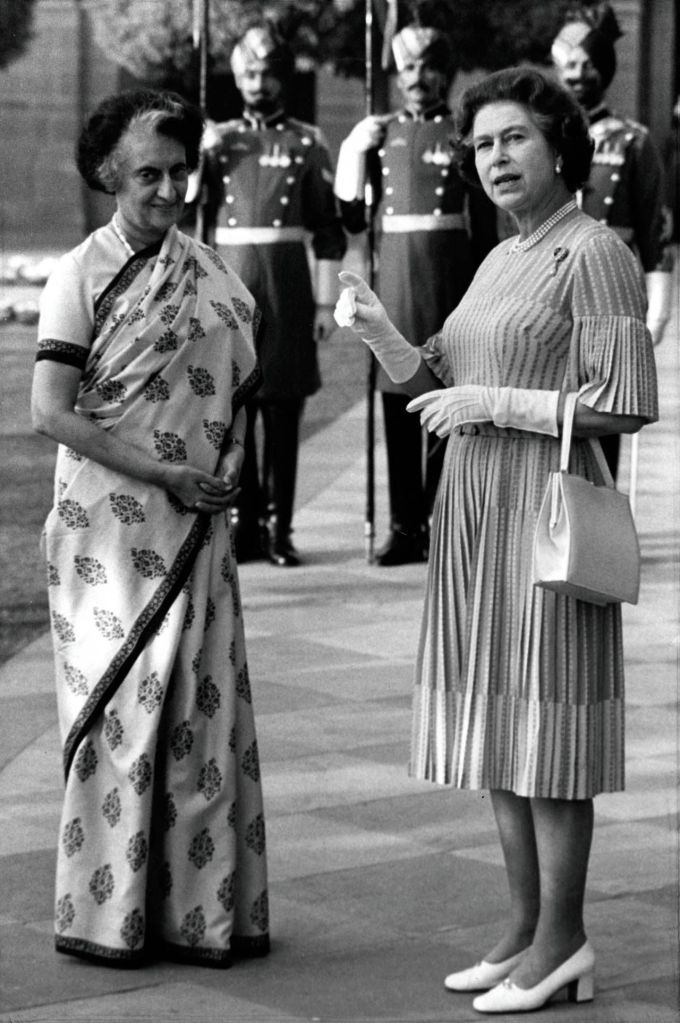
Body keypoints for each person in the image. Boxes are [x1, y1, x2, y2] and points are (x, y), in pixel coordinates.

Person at [335, 67, 657, 1013]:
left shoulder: (593, 251)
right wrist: (380, 329)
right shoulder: (499, 256)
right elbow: (434, 377)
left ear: (560, 147)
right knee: (499, 727)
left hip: (544, 510)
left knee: (548, 729)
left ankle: (565, 939)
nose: (494, 157)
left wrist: (500, 403)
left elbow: (627, 401)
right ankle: (523, 929)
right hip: (474, 508)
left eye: (514, 137)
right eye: (480, 144)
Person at [31, 89, 269, 968]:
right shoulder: (80, 273)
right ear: (108, 175)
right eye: (148, 175)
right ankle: (109, 917)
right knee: (122, 720)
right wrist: (165, 473)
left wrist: (233, 456)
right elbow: (51, 412)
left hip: (198, 525)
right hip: (107, 534)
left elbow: (242, 390)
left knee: (199, 721)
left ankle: (197, 915)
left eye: (180, 171)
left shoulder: (213, 274)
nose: (169, 189)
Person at [334, 9, 497, 565]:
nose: (418, 77)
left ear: (445, 73)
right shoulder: (382, 136)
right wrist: (352, 154)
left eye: (428, 67)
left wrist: (485, 294)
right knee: (398, 407)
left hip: (452, 286)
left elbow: (484, 227)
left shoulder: (464, 136)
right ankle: (404, 527)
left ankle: (441, 522)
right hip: (396, 290)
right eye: (407, 67)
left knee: (449, 409)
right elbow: (351, 220)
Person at [202, 22, 346, 567]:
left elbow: (328, 229)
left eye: (266, 73)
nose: (257, 83)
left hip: (287, 289)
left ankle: (280, 528)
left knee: (284, 412)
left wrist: (327, 302)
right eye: (248, 74)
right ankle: (243, 529)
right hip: (229, 289)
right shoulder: (219, 142)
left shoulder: (307, 142)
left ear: (283, 78)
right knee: (233, 413)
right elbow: (188, 212)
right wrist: (197, 155)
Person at [551, 2, 672, 477]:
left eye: (587, 64)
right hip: (551, 295)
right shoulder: (543, 139)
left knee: (602, 421)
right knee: (547, 423)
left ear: (604, 69)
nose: (576, 74)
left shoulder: (632, 141)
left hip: (609, 300)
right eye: (568, 64)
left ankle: (599, 514)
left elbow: (656, 230)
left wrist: (657, 313)